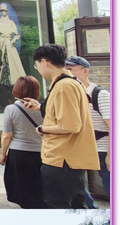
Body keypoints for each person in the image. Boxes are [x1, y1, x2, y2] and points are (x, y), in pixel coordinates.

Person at [24, 45, 100, 209]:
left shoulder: (63, 86)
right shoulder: (70, 82)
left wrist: (43, 129)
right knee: (76, 206)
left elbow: (71, 125)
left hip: (62, 159)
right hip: (68, 158)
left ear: (44, 62)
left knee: (58, 206)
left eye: (37, 65)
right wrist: (40, 107)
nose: (38, 69)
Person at [65, 55, 110, 200]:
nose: (68, 72)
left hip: (102, 149)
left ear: (85, 71)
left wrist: (111, 154)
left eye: (71, 69)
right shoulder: (74, 94)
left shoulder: (99, 94)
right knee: (74, 183)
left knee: (110, 186)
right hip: (84, 148)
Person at [0, 76, 45, 208]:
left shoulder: (11, 109)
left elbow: (7, 135)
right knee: (38, 190)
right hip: (40, 153)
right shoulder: (43, 109)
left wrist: (3, 154)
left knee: (23, 190)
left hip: (19, 154)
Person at [0, 3, 25, 86]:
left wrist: (12, 41)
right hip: (2, 44)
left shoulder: (11, 22)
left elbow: (17, 35)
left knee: (13, 62)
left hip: (10, 45)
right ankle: (2, 80)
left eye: (5, 11)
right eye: (2, 11)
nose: (3, 12)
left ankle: (14, 80)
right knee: (1, 62)